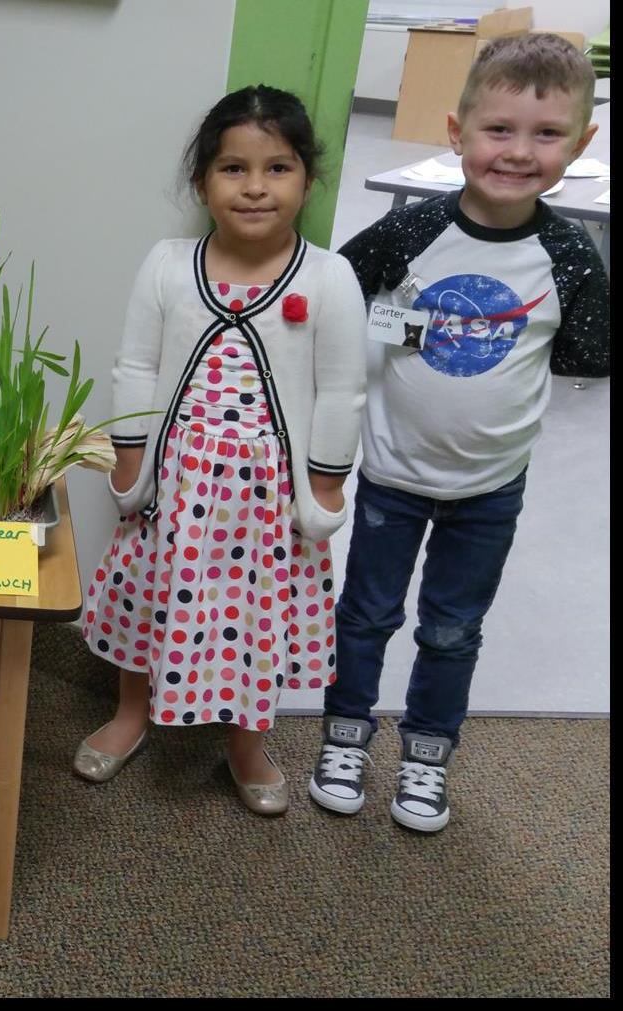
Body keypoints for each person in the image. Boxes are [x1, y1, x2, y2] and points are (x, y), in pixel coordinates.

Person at [309, 33, 609, 833]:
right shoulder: (412, 233)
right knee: (365, 614)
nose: (517, 152)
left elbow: (587, 354)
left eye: (546, 135)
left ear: (583, 146)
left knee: (451, 628)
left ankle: (429, 749)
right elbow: (340, 293)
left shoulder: (569, 255)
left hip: (489, 488)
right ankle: (345, 734)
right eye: (498, 129)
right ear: (456, 131)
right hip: (391, 476)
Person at [75, 86, 367, 816]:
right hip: (175, 484)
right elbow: (135, 365)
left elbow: (342, 391)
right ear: (202, 181)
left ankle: (246, 742)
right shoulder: (169, 264)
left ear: (307, 178)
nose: (256, 186)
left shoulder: (330, 277)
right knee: (151, 596)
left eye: (278, 167)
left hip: (266, 498)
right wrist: (129, 457)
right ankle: (132, 712)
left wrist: (327, 485)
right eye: (234, 168)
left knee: (256, 613)